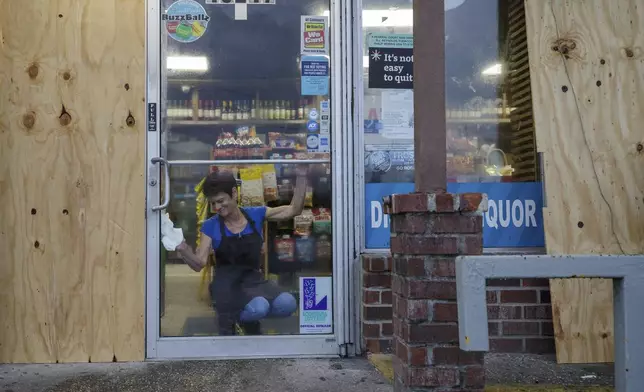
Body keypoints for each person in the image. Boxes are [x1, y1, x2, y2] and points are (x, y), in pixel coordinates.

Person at [175, 165, 309, 336]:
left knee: (288, 303)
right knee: (260, 306)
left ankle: (247, 319)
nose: (217, 207)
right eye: (213, 203)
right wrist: (184, 250)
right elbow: (199, 263)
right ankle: (232, 318)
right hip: (227, 287)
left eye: (221, 201)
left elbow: (293, 210)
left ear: (234, 193)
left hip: (254, 281)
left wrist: (302, 176)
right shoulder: (211, 226)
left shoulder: (256, 214)